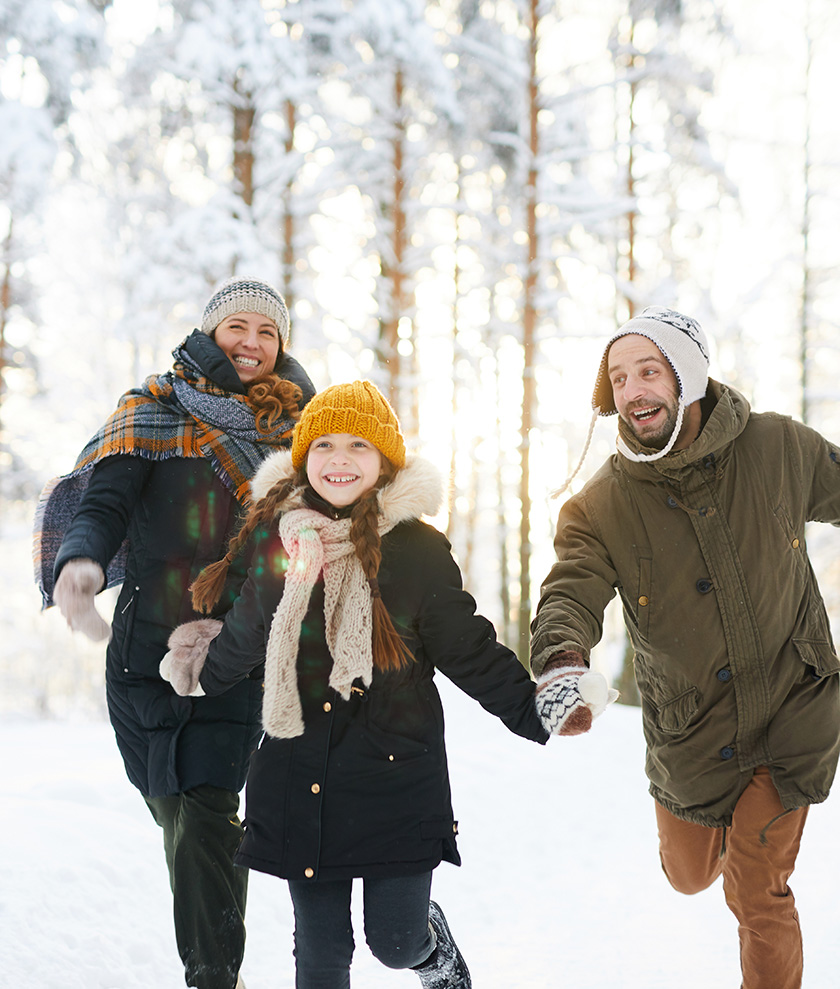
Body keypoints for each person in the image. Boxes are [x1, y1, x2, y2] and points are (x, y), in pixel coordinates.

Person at [159, 380, 612, 989]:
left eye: (357, 446)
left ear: (384, 463)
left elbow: (466, 647)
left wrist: (536, 709)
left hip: (394, 775)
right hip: (302, 775)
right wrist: (194, 677)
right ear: (302, 460)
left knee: (395, 942)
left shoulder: (417, 552)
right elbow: (248, 632)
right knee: (319, 957)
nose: (338, 460)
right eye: (323, 445)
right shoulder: (282, 543)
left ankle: (434, 953)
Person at [530, 305, 840, 989]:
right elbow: (569, 592)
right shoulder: (600, 504)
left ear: (688, 378)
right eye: (619, 376)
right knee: (691, 875)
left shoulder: (778, 448)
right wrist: (561, 660)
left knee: (758, 889)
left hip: (796, 706)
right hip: (692, 730)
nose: (633, 389)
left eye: (649, 370)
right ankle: (725, 831)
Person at [33, 276, 316, 989]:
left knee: (210, 812)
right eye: (237, 328)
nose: (252, 344)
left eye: (268, 332)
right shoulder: (150, 413)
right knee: (177, 814)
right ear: (209, 333)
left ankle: (214, 977)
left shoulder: (299, 433)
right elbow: (104, 503)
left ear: (281, 346)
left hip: (235, 653)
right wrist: (82, 562)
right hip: (141, 654)